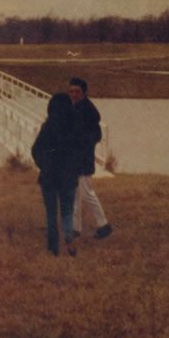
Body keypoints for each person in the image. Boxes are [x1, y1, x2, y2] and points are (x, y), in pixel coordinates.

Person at [31, 93, 80, 257]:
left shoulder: (48, 127)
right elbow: (80, 151)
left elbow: (35, 150)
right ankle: (69, 240)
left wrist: (43, 165)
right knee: (67, 212)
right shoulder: (74, 127)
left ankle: (53, 248)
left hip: (49, 176)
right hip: (68, 177)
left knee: (51, 213)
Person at [68, 77, 112, 239]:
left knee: (87, 193)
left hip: (83, 159)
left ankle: (104, 225)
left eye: (77, 91)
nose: (74, 94)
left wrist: (82, 144)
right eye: (71, 91)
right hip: (74, 158)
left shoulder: (88, 111)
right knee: (75, 194)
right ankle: (75, 228)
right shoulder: (75, 107)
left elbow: (96, 135)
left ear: (84, 93)